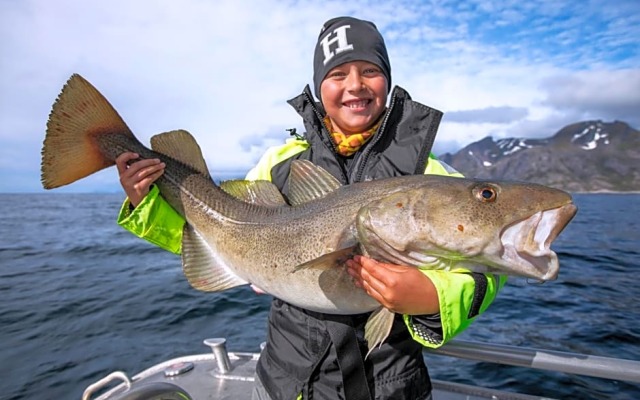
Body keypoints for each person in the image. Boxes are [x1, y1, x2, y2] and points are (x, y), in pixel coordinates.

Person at [115, 16, 506, 400]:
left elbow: (490, 268)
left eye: (370, 70)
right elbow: (217, 237)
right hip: (284, 383)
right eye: (337, 75)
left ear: (387, 79)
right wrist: (146, 200)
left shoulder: (432, 174)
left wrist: (432, 296)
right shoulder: (279, 163)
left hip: (392, 387)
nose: (355, 85)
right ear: (320, 87)